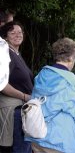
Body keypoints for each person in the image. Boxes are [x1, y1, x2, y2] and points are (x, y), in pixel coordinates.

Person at [25, 37, 75, 153]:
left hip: (37, 136)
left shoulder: (41, 75)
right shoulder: (72, 82)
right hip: (61, 141)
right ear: (71, 58)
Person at [0, 21, 33, 153]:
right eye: (12, 32)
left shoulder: (16, 54)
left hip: (21, 108)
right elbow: (2, 85)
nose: (17, 35)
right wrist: (25, 96)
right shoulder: (5, 54)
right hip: (12, 109)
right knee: (11, 148)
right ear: (5, 37)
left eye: (19, 32)